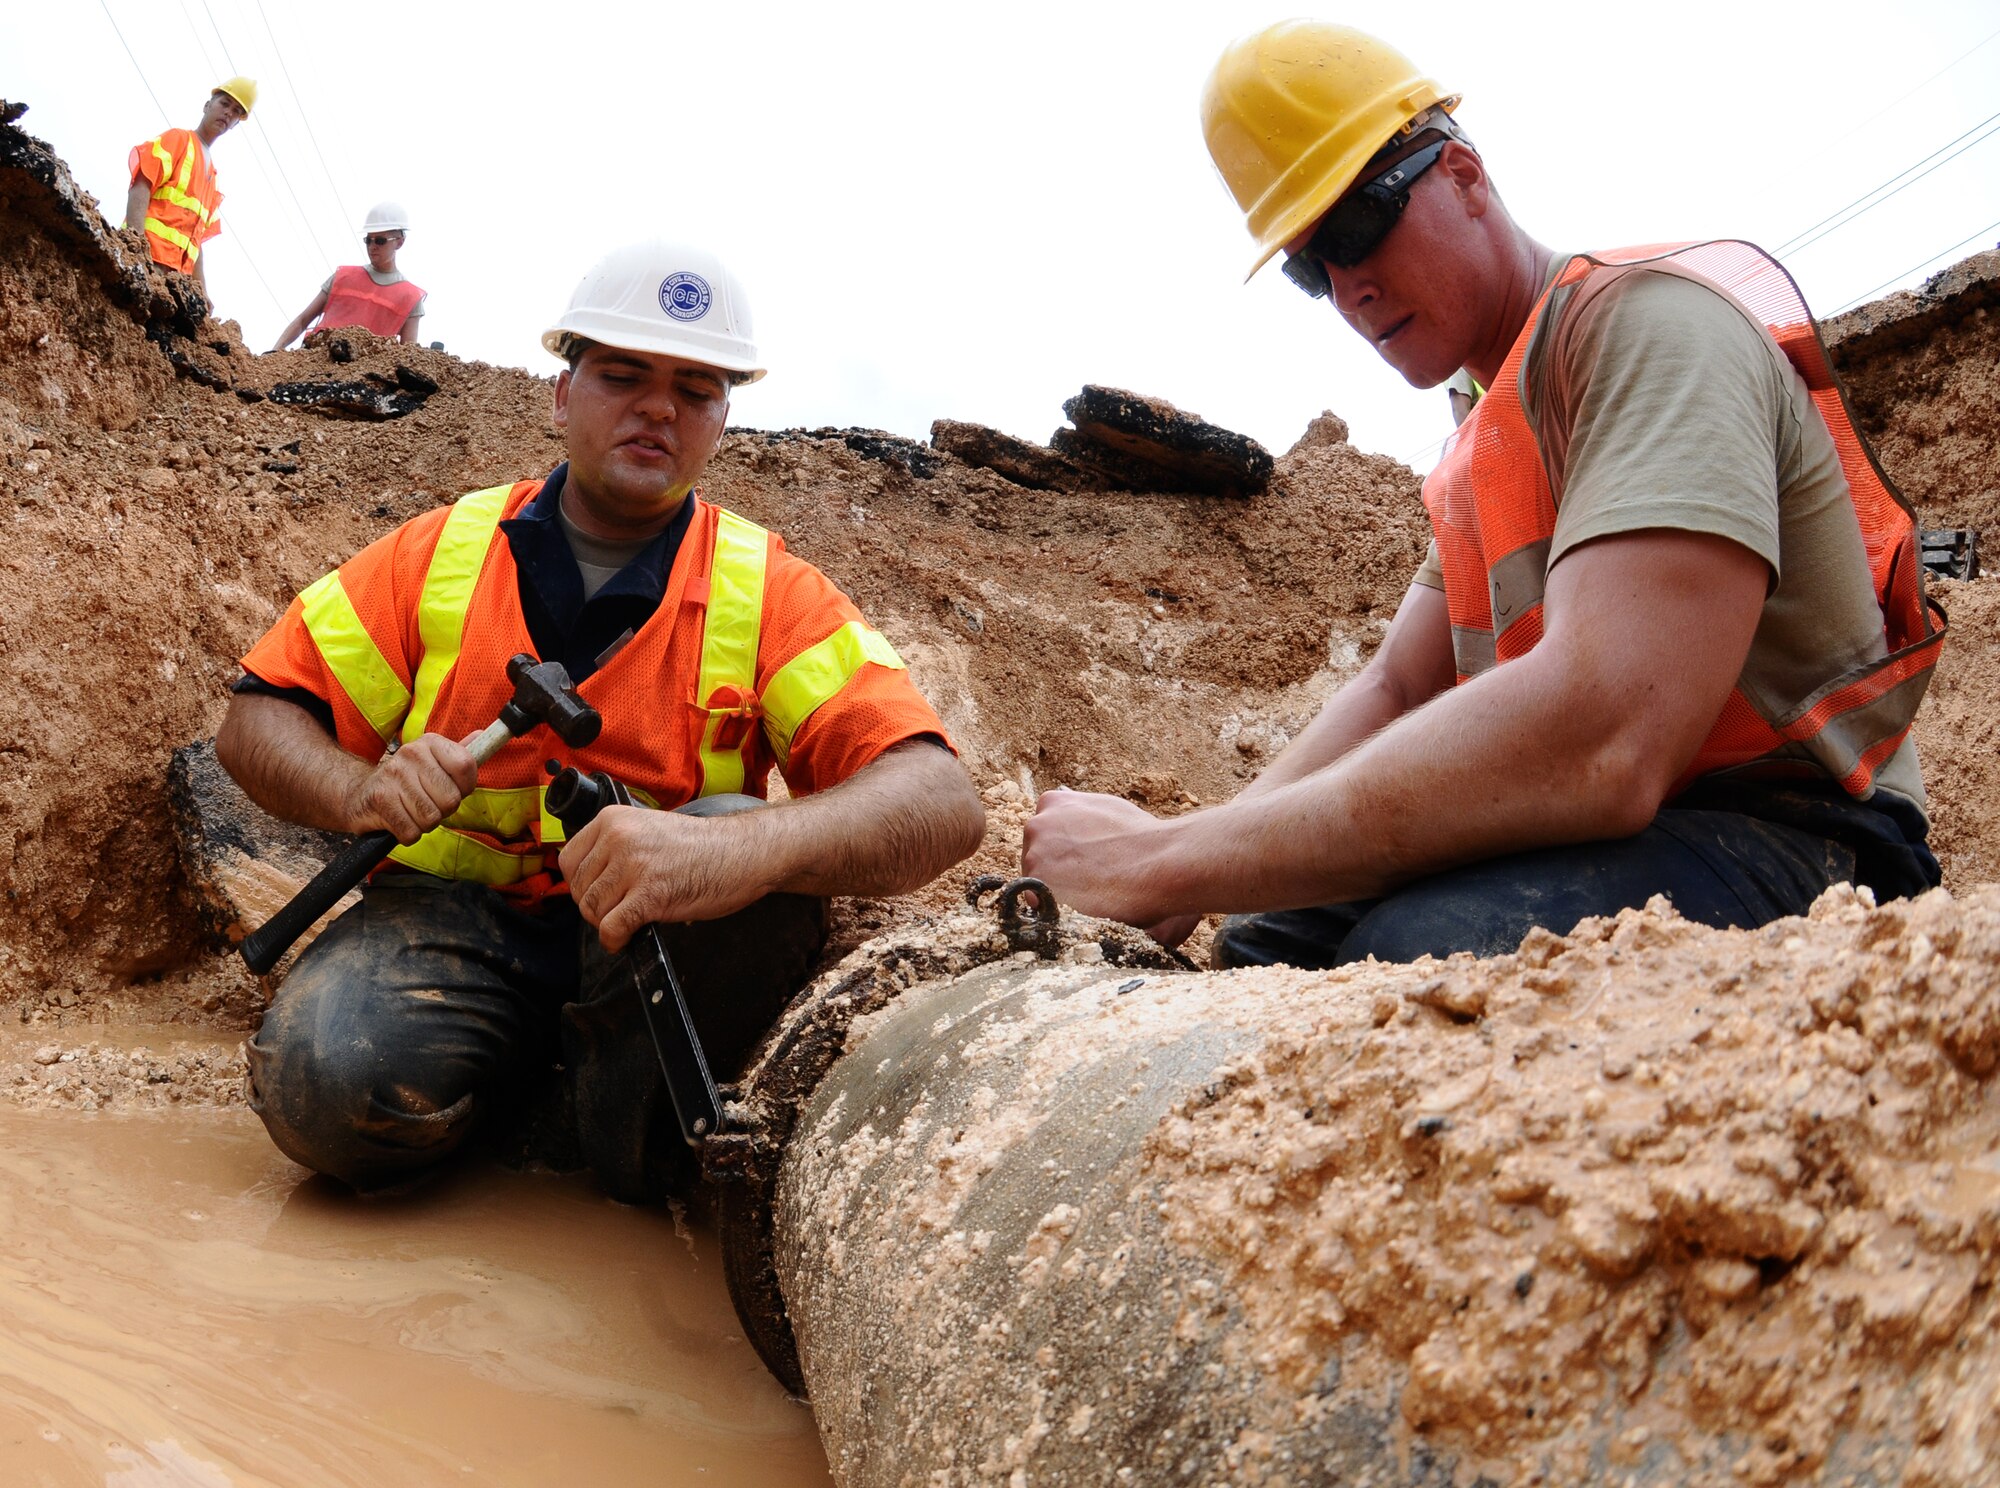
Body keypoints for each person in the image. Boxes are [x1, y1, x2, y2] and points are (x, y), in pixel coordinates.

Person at [1023, 20, 1946, 970]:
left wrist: (1161, 861)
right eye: (1312, 265)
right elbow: (1394, 687)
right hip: (1635, 833)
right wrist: (1192, 867)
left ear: (1463, 175)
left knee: (1407, 958)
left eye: (1357, 226)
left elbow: (1607, 735)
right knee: (1266, 939)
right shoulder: (1488, 436)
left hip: (1809, 837)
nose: (1350, 290)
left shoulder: (1647, 330)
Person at [218, 240, 986, 1199]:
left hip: (658, 941)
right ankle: (525, 1100)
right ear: (562, 394)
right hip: (450, 926)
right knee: (324, 1089)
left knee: (741, 834)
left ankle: (625, 1133)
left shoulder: (765, 589)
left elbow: (943, 799)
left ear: (720, 422)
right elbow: (253, 720)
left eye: (696, 390)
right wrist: (359, 787)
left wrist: (737, 852)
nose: (658, 408)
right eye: (623, 375)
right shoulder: (444, 551)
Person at [124, 78, 255, 302]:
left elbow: (196, 242)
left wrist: (201, 290)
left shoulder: (211, 177)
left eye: (235, 112)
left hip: (174, 281)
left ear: (235, 124)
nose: (227, 113)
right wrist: (134, 245)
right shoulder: (179, 140)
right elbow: (141, 184)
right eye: (224, 104)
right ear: (207, 106)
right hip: (146, 260)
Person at [272, 202, 429, 349]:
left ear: (400, 242)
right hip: (314, 367)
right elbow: (302, 321)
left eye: (380, 241)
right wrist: (273, 353)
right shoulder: (343, 277)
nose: (372, 247)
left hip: (364, 376)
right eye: (368, 240)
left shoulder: (410, 298)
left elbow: (408, 354)